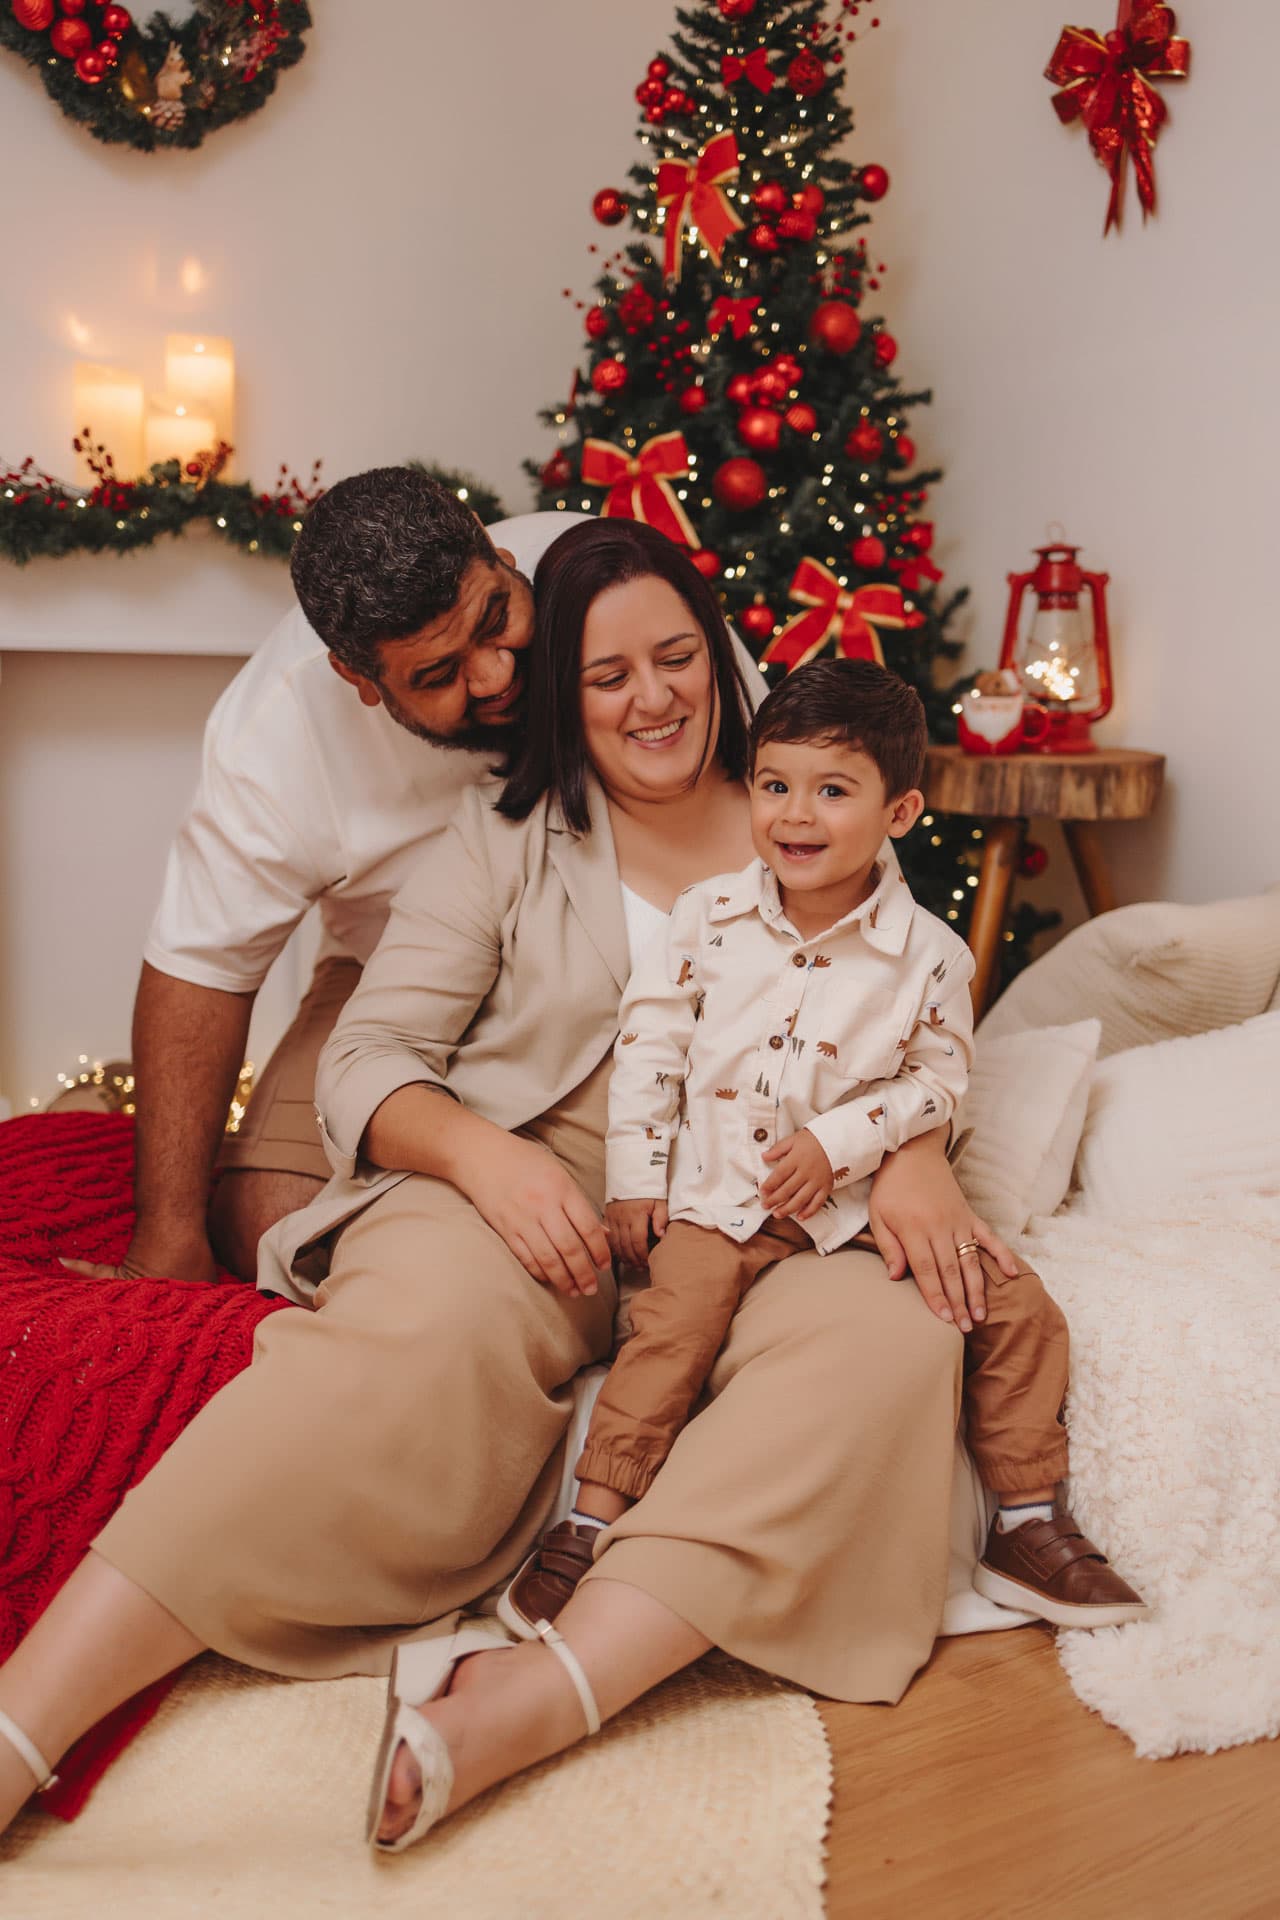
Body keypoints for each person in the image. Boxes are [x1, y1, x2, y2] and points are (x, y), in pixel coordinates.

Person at [0, 519, 1018, 1855]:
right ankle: (25, 1721)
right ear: (562, 697)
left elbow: (917, 1018)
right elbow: (370, 1054)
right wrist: (485, 1159)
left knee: (898, 1335)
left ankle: (538, 1697)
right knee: (415, 1332)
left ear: (717, 654)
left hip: (768, 1196)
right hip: (526, 1179)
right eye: (606, 677)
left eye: (675, 658)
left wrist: (918, 1158)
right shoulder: (502, 838)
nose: (651, 699)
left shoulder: (811, 820)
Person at [499, 659, 1146, 1642]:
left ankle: (1026, 1523)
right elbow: (650, 1050)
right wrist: (633, 1183)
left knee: (1016, 1307)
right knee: (672, 1330)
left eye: (832, 791)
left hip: (849, 1211)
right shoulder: (705, 920)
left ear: (900, 812)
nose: (795, 816)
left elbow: (934, 1084)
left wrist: (836, 1143)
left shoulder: (929, 956)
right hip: (718, 1198)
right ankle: (589, 1523)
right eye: (775, 785)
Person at [63, 469, 593, 1287]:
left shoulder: (610, 580)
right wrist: (166, 1234)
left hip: (625, 959)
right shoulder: (276, 735)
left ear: (498, 553)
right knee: (277, 1223)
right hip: (393, 978)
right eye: (437, 675)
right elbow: (203, 967)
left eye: (496, 619)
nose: (493, 675)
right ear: (358, 679)